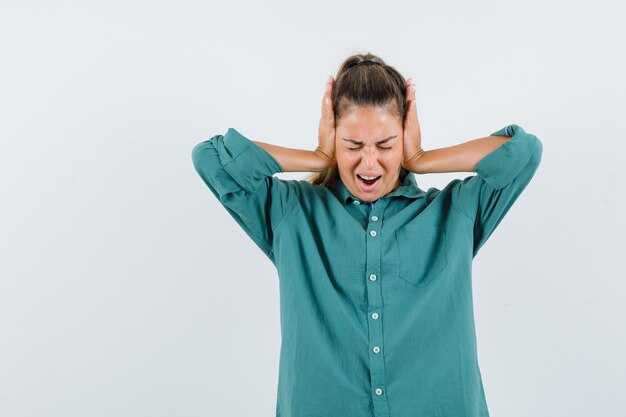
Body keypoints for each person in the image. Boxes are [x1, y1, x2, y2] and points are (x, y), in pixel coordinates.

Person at [191, 53, 543, 417]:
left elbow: (524, 152)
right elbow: (209, 158)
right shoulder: (291, 213)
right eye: (353, 146)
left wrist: (421, 157)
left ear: (404, 138)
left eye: (387, 146)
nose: (369, 164)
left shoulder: (455, 212)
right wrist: (317, 156)